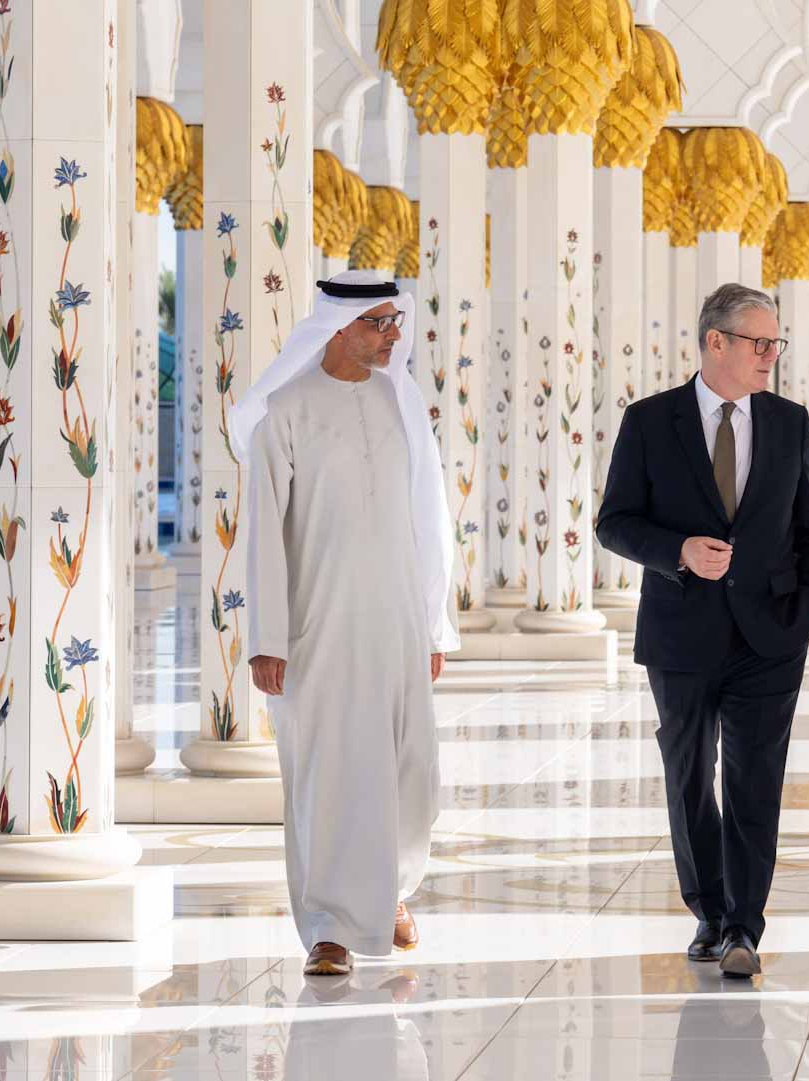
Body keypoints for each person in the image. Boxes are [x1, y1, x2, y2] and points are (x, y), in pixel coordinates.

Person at [596, 283, 809, 978]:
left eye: (776, 343)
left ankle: (742, 925)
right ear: (715, 342)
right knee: (691, 776)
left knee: (757, 779)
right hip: (681, 634)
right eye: (759, 342)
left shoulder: (790, 423)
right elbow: (614, 521)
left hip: (771, 635)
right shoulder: (650, 421)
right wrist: (678, 552)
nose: (771, 355)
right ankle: (707, 907)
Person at [232, 271, 460, 977]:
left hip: (395, 619)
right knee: (328, 772)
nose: (393, 336)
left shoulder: (402, 405)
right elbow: (264, 532)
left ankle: (388, 890)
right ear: (339, 327)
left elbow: (431, 518)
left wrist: (432, 622)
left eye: (396, 323)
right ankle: (329, 925)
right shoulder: (287, 412)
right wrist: (267, 637)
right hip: (317, 624)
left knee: (407, 764)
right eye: (379, 324)